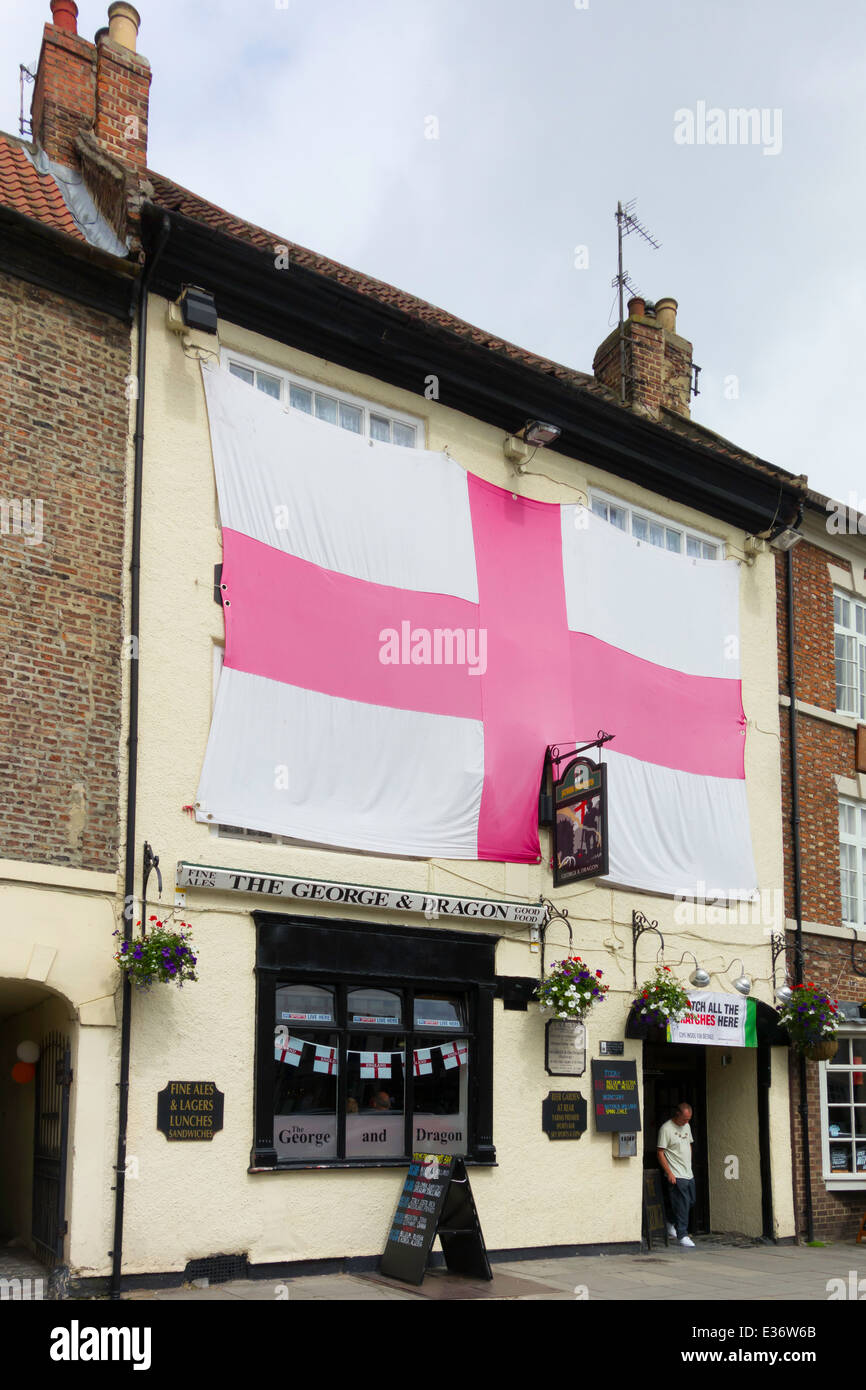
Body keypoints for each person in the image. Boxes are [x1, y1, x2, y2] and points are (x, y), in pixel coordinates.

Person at [656, 1102, 696, 1248]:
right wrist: (669, 1172)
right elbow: (660, 1152)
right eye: (685, 1119)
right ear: (677, 1114)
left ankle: (670, 1221)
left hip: (688, 1172)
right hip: (676, 1173)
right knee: (683, 1203)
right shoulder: (666, 1129)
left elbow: (689, 1144)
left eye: (689, 1119)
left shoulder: (687, 1126)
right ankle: (682, 1234)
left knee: (691, 1201)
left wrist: (689, 1162)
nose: (687, 1122)